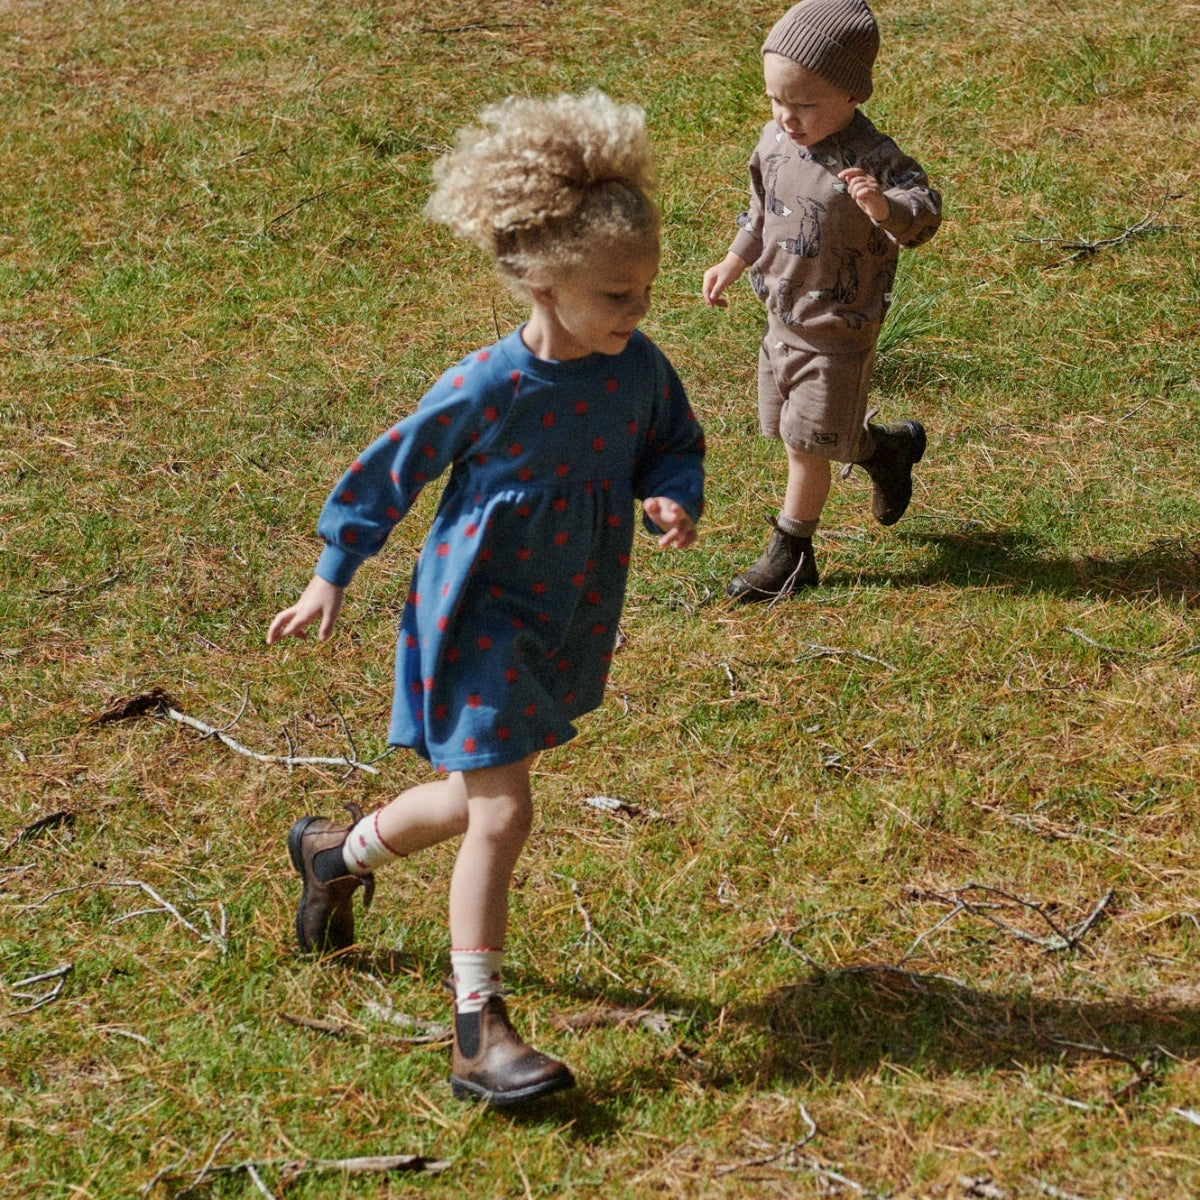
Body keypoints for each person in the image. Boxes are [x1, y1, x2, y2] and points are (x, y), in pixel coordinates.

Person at [266, 90, 705, 1106]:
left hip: (564, 611)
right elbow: (392, 469)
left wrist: (669, 497)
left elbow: (672, 441)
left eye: (643, 291)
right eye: (615, 296)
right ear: (543, 283)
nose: (636, 313)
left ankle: (334, 854)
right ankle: (478, 1030)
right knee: (504, 810)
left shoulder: (634, 371)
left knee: (469, 797)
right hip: (475, 616)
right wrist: (335, 568)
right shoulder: (488, 385)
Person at [702, 0, 941, 602]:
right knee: (798, 431)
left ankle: (791, 552)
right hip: (781, 317)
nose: (787, 117)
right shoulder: (775, 142)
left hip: (840, 326)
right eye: (776, 100)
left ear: (852, 95)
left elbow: (924, 215)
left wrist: (885, 209)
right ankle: (885, 451)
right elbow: (761, 211)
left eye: (804, 103)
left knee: (806, 445)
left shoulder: (874, 159)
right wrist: (733, 259)